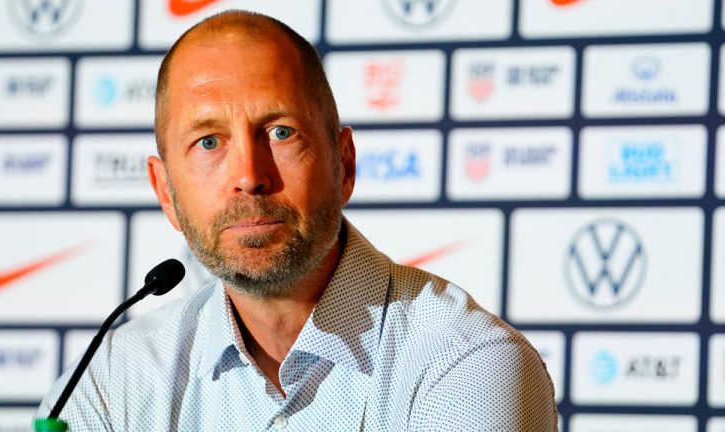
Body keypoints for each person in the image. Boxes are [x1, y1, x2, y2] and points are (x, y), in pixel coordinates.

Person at [36, 10, 557, 431]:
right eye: (209, 141)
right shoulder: (107, 382)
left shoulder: (466, 365)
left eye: (281, 132)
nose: (249, 176)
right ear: (165, 192)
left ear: (343, 164)